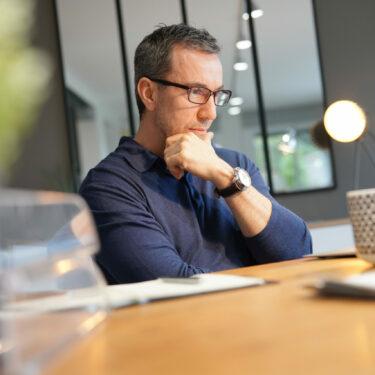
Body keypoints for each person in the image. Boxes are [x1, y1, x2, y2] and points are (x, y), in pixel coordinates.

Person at [80, 24, 312, 284]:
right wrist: (265, 274)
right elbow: (176, 287)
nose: (210, 113)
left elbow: (298, 252)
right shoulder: (107, 187)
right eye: (196, 92)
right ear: (149, 93)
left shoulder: (233, 165)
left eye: (216, 95)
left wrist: (224, 177)